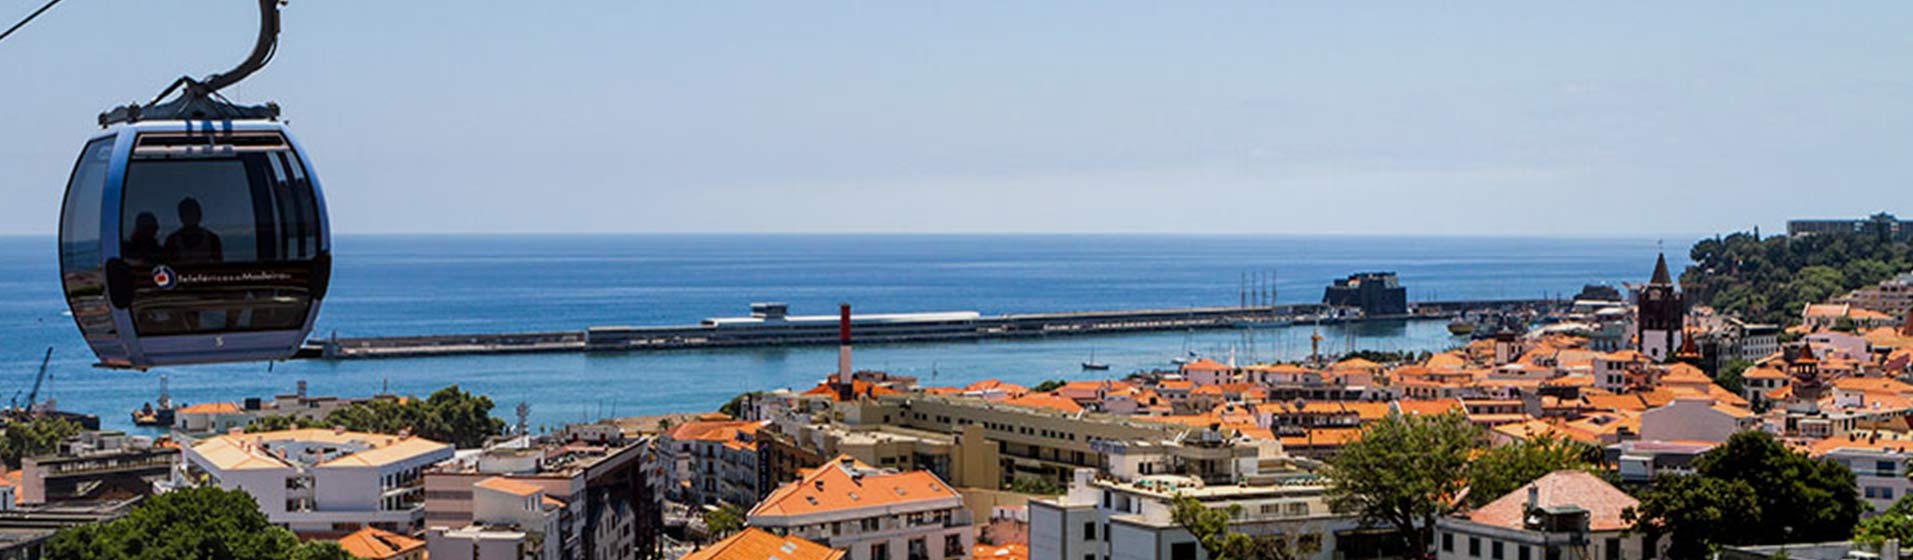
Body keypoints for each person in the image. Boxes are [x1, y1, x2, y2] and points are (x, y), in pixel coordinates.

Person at [163, 198, 222, 263]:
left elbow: (219, 267)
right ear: (181, 216)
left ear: (199, 215)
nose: (190, 216)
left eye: (192, 212)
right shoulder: (172, 241)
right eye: (187, 213)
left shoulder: (213, 240)